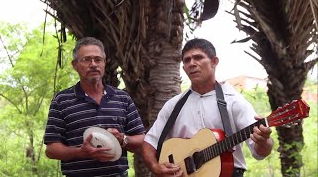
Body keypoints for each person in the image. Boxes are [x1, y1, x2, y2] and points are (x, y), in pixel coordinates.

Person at [142, 38, 274, 177]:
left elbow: (260, 152)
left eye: (198, 57)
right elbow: (149, 143)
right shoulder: (173, 105)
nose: (192, 63)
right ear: (184, 68)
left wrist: (264, 141)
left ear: (214, 62)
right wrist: (156, 168)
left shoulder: (234, 102)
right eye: (187, 60)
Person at [44, 37, 145, 176]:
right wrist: (81, 152)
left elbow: (141, 140)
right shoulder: (62, 100)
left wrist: (123, 139)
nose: (93, 64)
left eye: (98, 59)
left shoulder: (122, 98)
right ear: (75, 65)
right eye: (86, 59)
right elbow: (51, 149)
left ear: (104, 63)